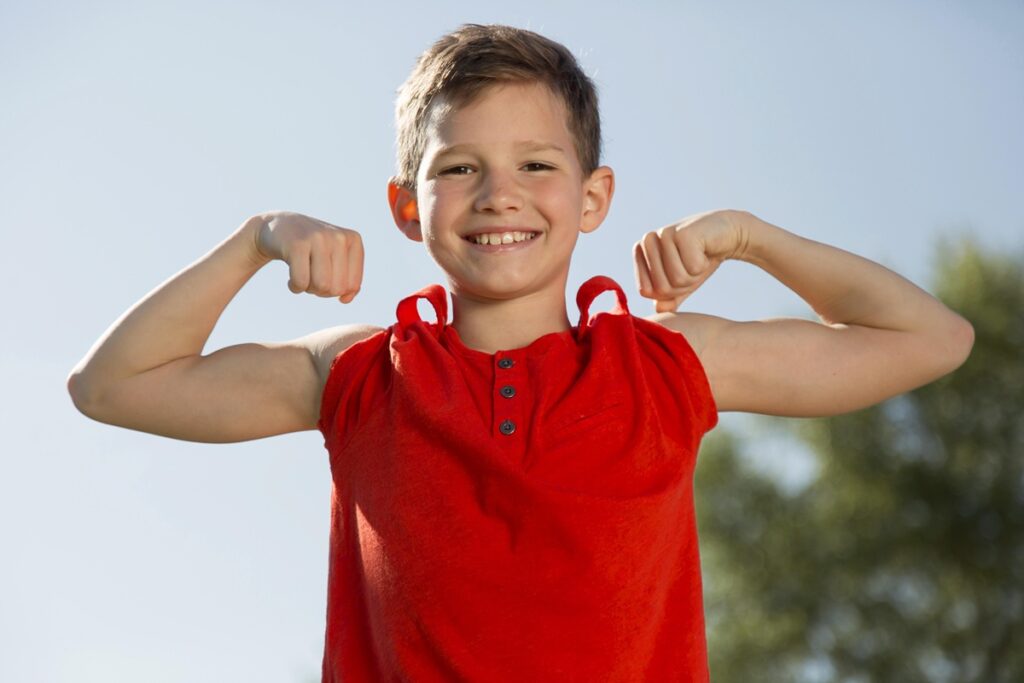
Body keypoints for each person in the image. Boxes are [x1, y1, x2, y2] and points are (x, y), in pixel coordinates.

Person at [67, 23, 974, 683]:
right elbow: (111, 385)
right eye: (460, 167)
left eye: (537, 164)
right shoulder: (359, 375)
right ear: (407, 207)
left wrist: (751, 236)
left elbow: (932, 338)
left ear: (593, 196)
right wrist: (257, 238)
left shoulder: (665, 366)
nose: (500, 194)